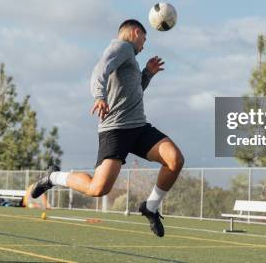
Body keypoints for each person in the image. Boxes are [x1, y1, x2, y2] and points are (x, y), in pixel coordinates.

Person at [31, 19, 184, 237]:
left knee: (175, 160)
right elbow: (99, 70)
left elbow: (134, 92)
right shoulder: (121, 47)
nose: (144, 45)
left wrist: (147, 74)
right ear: (135, 32)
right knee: (97, 189)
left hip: (139, 127)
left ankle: (150, 207)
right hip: (116, 130)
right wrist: (99, 96)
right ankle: (53, 177)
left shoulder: (130, 57)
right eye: (144, 39)